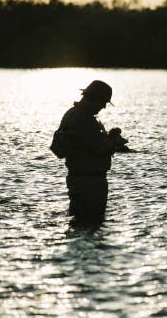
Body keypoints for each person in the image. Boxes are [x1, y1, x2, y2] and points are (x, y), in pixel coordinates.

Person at [54, 80, 128, 225]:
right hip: (89, 182)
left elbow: (87, 143)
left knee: (80, 222)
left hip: (82, 179)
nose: (104, 106)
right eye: (103, 102)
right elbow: (97, 147)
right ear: (94, 98)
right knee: (91, 222)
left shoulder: (76, 114)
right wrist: (115, 143)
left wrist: (109, 138)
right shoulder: (82, 119)